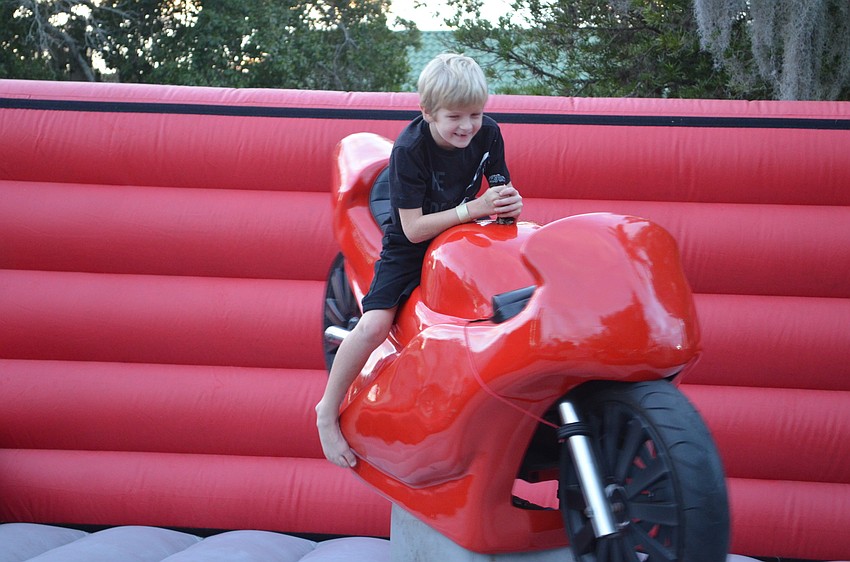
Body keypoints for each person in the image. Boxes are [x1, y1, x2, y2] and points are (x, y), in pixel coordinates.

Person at [315, 53, 523, 468]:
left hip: (462, 235)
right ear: (427, 112)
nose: (467, 126)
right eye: (455, 117)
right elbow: (412, 229)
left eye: (476, 114)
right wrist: (476, 209)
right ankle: (325, 410)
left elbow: (499, 187)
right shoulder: (410, 148)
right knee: (376, 321)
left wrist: (508, 204)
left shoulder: (489, 133)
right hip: (411, 241)